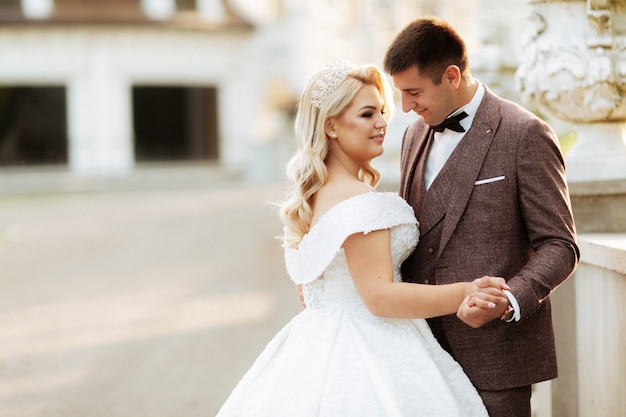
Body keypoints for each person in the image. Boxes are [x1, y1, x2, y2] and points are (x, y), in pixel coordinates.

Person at [215, 59, 509, 417]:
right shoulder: (357, 201)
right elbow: (380, 297)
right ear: (332, 127)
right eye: (368, 114)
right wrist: (467, 291)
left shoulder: (316, 196)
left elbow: (313, 289)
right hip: (369, 349)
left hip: (315, 344)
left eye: (382, 112)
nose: (383, 123)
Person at [383, 17, 580, 417]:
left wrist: (508, 300)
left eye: (413, 92)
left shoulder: (526, 134)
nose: (405, 106)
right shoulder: (413, 135)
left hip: (496, 356)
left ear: (452, 76)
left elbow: (560, 245)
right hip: (419, 352)